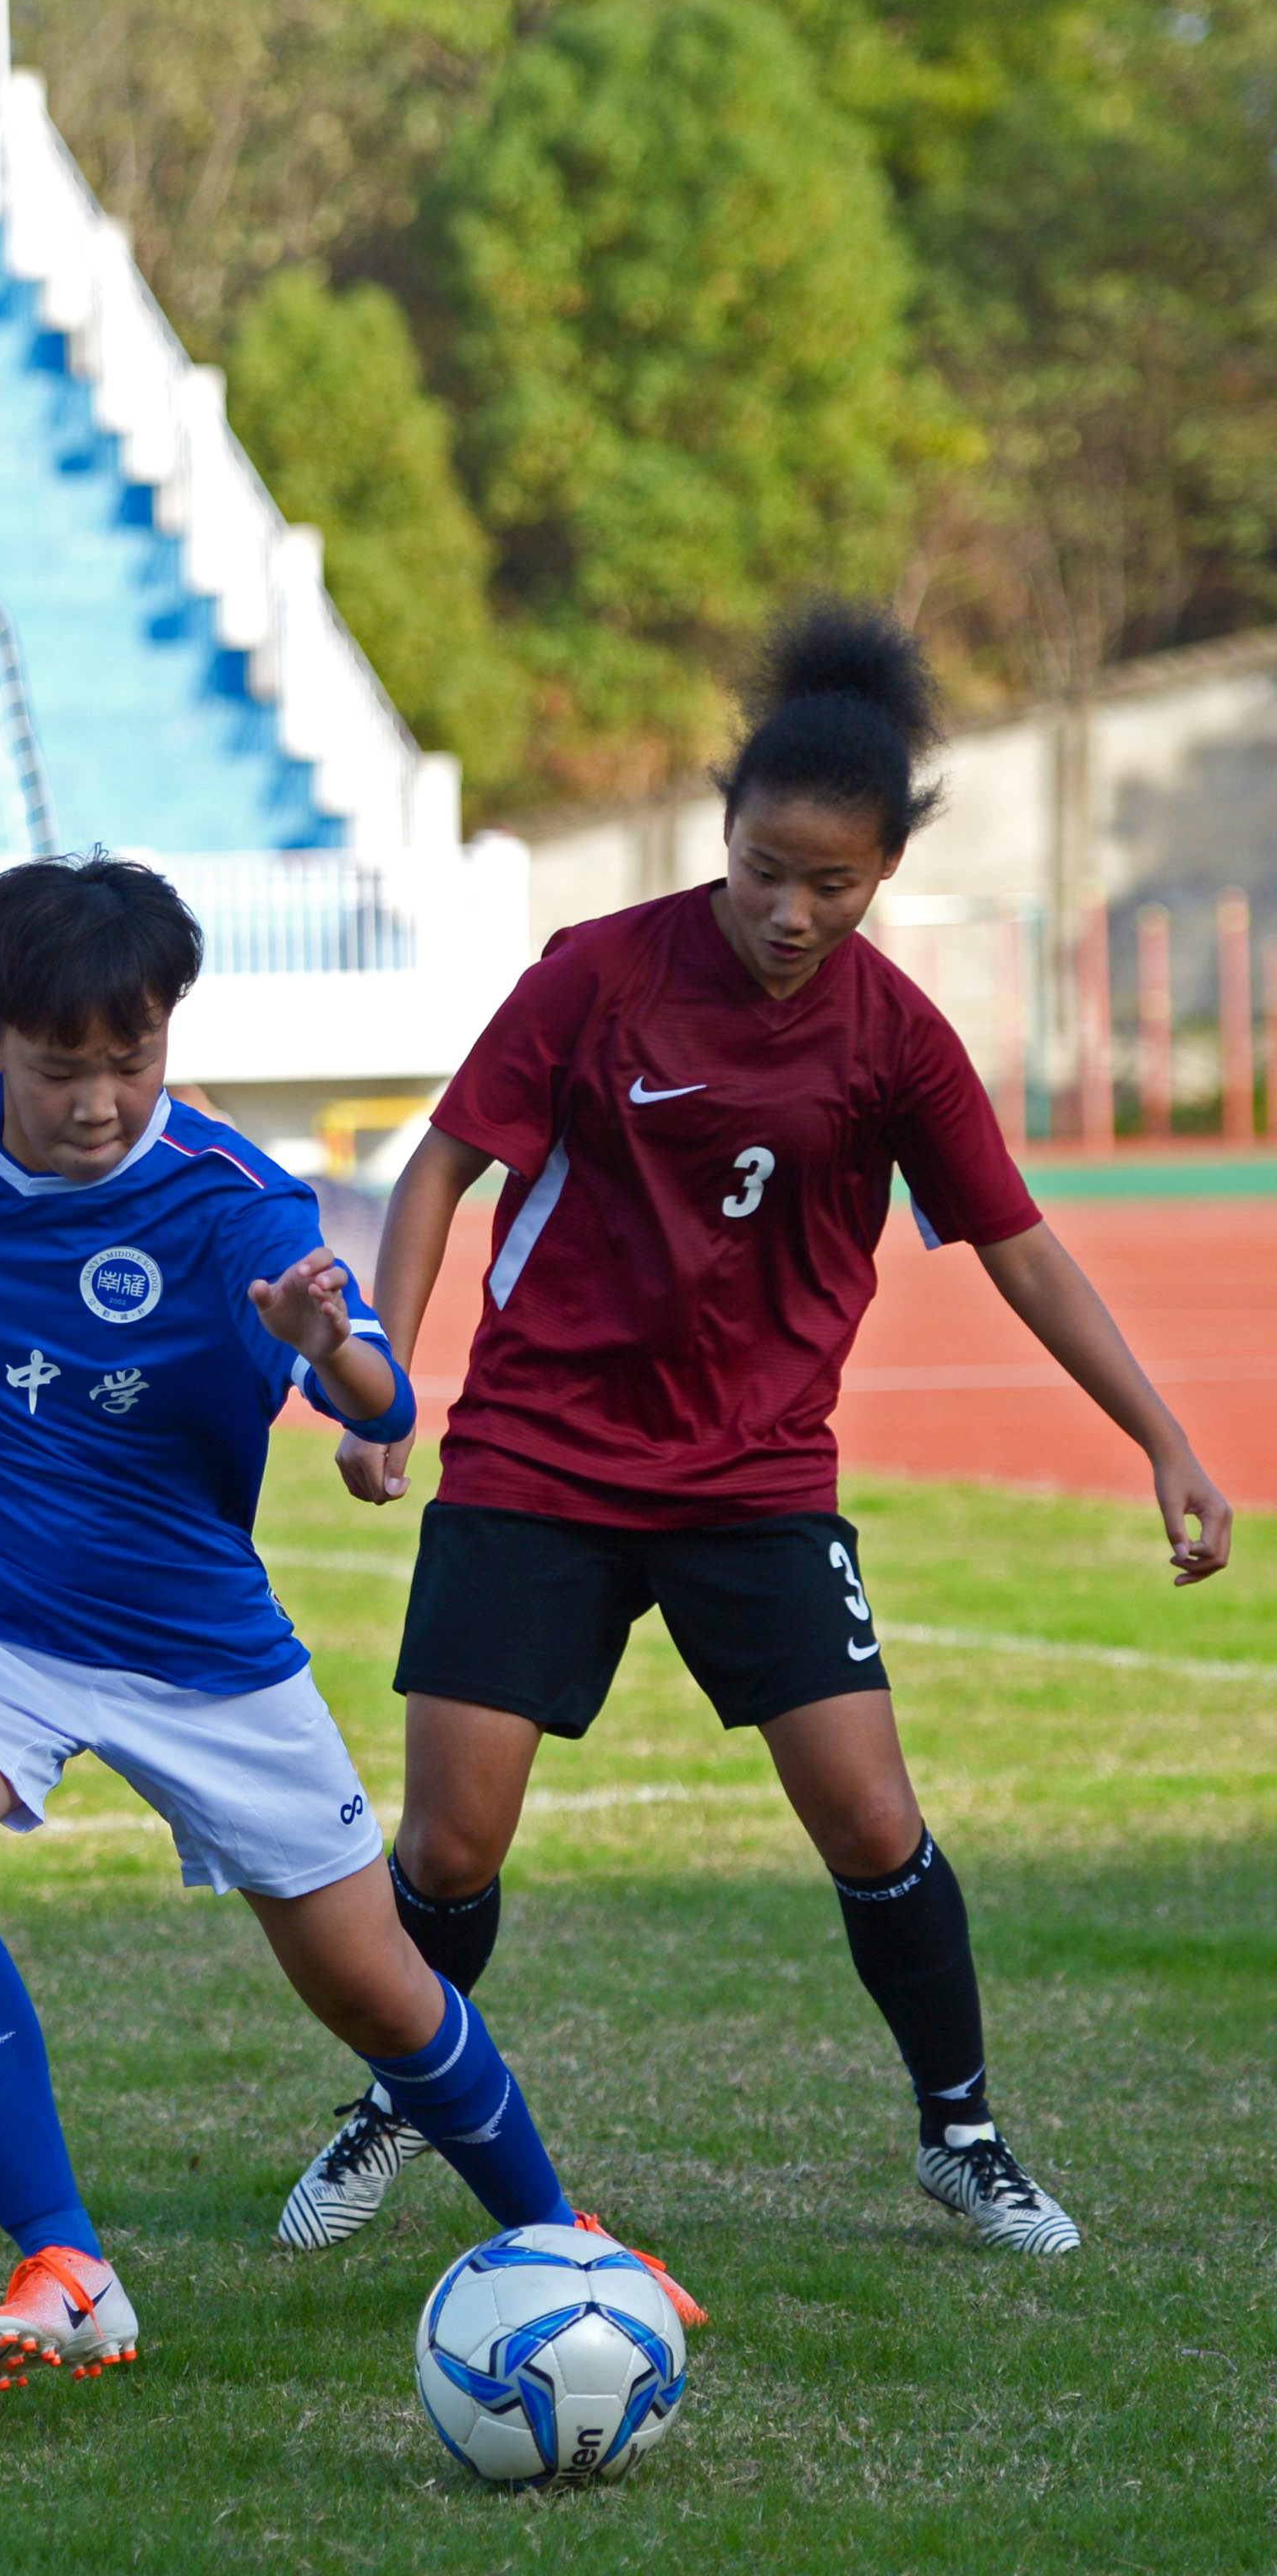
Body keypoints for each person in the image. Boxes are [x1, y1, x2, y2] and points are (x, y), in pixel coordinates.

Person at [272, 602, 1233, 2264]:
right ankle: (393, 2097)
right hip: (538, 1459)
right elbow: (440, 1166)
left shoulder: (895, 1035)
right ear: (722, 827)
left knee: (872, 1818)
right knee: (448, 1838)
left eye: (832, 883)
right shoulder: (596, 974)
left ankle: (965, 2133)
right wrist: (382, 1371)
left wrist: (1162, 1434)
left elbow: (1017, 1243)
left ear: (882, 872)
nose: (790, 910)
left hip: (756, 1478)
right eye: (763, 868)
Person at [0, 853, 702, 2394]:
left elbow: (379, 1392)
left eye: (134, 1058)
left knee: (372, 1984)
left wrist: (338, 1356)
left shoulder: (232, 1199)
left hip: (192, 1647)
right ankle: (64, 2263)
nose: (101, 1098)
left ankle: (561, 2238)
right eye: (62, 1066)